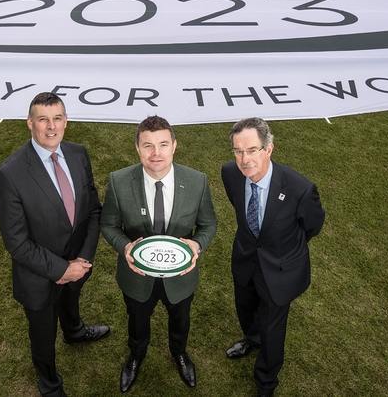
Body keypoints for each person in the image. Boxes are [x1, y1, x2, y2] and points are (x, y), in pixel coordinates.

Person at [0, 92, 110, 397]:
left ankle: (74, 332)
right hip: (39, 277)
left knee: (71, 302)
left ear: (66, 121)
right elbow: (17, 243)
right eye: (43, 119)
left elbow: (93, 210)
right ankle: (49, 384)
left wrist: (83, 260)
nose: (51, 126)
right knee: (43, 336)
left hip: (78, 264)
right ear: (29, 123)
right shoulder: (9, 175)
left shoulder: (78, 153)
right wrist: (61, 270)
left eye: (57, 118)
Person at [101, 115, 217, 393]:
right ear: (137, 148)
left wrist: (197, 245)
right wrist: (125, 247)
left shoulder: (197, 181)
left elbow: (208, 224)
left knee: (180, 319)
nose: (156, 153)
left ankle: (179, 352)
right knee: (137, 320)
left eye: (163, 144)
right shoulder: (118, 181)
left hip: (181, 278)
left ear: (174, 146)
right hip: (136, 277)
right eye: (148, 145)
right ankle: (136, 355)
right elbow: (108, 225)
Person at [221, 117, 325, 397]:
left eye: (252, 150)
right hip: (245, 260)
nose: (244, 159)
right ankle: (251, 339)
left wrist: (284, 246)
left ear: (268, 149)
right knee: (245, 309)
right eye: (238, 151)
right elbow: (239, 207)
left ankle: (266, 382)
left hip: (280, 271)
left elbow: (313, 225)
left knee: (272, 330)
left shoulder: (300, 189)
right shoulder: (230, 174)